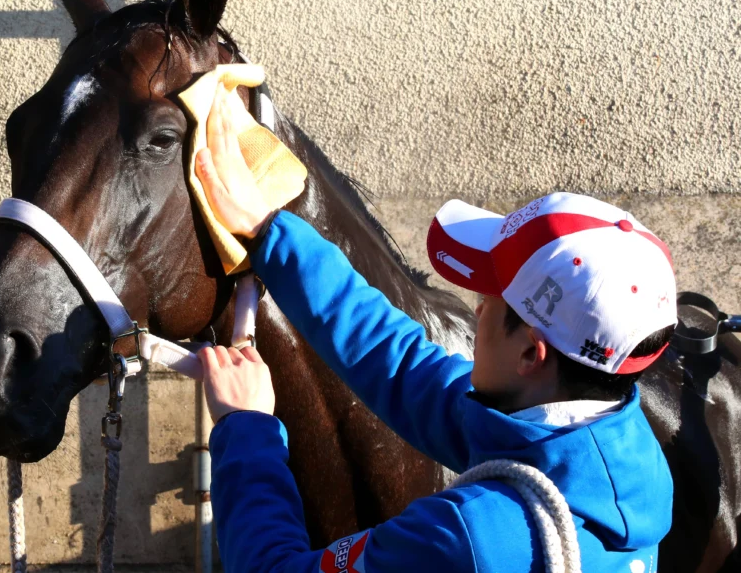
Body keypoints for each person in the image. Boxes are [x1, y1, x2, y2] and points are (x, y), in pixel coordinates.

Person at [193, 84, 676, 572]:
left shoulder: (472, 540)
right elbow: (401, 363)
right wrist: (269, 233)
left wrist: (246, 428)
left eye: (491, 297)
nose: (478, 307)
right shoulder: (612, 451)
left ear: (532, 353)